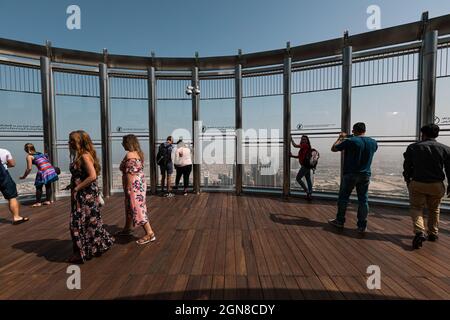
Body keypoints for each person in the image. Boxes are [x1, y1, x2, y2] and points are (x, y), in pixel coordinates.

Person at [67, 130, 114, 263]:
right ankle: (93, 247)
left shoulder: (84, 156)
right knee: (89, 221)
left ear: (80, 142)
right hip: (84, 193)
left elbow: (92, 175)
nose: (69, 143)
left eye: (72, 141)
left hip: (84, 195)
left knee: (78, 223)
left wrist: (77, 188)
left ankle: (82, 251)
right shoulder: (83, 155)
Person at [403, 124, 450, 249]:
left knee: (416, 207)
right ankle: (433, 233)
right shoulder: (445, 149)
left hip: (418, 183)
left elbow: (407, 166)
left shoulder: (413, 147)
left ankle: (419, 232)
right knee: (434, 209)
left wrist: (408, 179)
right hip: (436, 184)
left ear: (423, 134)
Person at [328, 122, 378, 234]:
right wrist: (350, 136)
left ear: (354, 130)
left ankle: (340, 221)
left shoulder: (351, 141)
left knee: (343, 198)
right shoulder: (373, 142)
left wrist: (340, 138)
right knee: (363, 200)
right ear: (364, 130)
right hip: (365, 174)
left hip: (350, 174)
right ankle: (362, 225)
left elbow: (334, 148)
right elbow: (360, 141)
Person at [116, 134, 156, 245]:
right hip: (139, 182)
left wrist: (128, 187)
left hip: (133, 184)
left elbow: (130, 173)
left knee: (137, 207)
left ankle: (149, 233)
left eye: (123, 142)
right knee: (132, 205)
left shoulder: (129, 155)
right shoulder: (138, 154)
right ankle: (127, 228)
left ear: (128, 143)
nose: (122, 144)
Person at [0, 148, 29, 225]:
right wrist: (5, 165)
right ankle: (16, 217)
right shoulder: (4, 151)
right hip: (3, 176)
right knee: (11, 197)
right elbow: (12, 164)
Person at [290, 135, 317, 200]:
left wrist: (291, 140)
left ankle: (307, 191)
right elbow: (300, 157)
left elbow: (295, 145)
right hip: (307, 166)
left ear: (307, 141)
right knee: (308, 180)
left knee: (298, 178)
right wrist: (292, 156)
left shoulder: (305, 145)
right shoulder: (303, 148)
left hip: (305, 166)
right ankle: (309, 194)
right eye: (302, 139)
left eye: (305, 139)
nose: (303, 140)